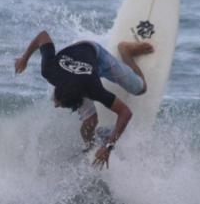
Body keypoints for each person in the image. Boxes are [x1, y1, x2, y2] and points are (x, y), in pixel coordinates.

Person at [14, 30, 153, 169]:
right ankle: (91, 148)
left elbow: (125, 113)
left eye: (60, 104)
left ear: (82, 98)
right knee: (90, 123)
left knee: (140, 88)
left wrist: (109, 147)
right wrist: (24, 58)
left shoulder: (94, 89)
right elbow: (43, 36)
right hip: (76, 59)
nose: (56, 105)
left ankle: (126, 50)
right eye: (58, 100)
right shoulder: (49, 70)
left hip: (94, 53)